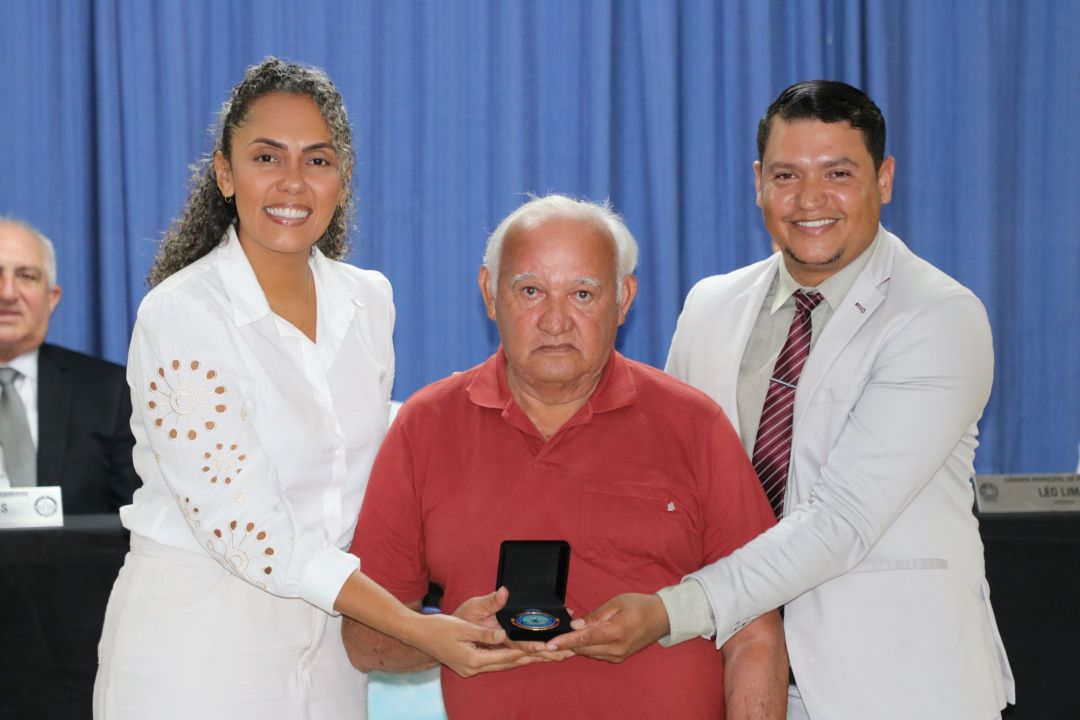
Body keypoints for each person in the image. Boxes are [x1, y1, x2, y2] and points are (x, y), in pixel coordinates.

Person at [550, 81, 1015, 720]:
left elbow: (840, 522)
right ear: (758, 182)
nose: (810, 200)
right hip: (736, 681)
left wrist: (667, 612)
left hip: (897, 690)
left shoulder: (939, 317)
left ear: (884, 179)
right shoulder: (710, 305)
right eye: (787, 174)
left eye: (839, 173)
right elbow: (666, 487)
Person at [93, 58, 532, 720]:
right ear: (224, 172)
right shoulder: (181, 313)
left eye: (318, 160)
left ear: (343, 176)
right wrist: (418, 628)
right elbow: (251, 531)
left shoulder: (369, 299)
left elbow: (375, 460)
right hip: (193, 663)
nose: (293, 182)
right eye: (267, 156)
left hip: (328, 666)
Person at [342, 194, 788, 719]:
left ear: (624, 298)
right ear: (490, 293)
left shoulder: (693, 425)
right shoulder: (427, 426)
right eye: (531, 291)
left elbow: (756, 632)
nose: (555, 321)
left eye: (583, 293)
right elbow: (366, 640)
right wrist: (444, 639)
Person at [0, 218, 138, 512]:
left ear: (52, 299)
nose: (8, 293)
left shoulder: (110, 393)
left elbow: (135, 523)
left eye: (26, 276)